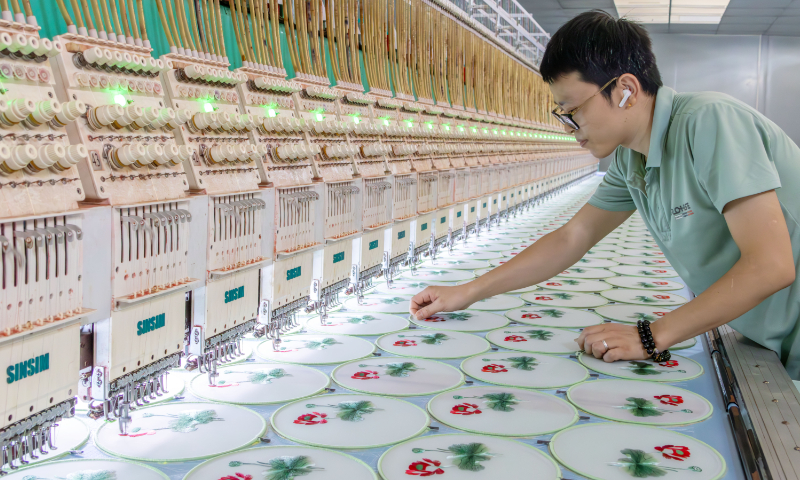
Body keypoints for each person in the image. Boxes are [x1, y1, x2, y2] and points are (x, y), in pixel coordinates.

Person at [409, 11, 800, 377]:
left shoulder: (709, 121)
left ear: (625, 90)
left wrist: (652, 335)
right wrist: (469, 291)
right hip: (771, 339)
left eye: (572, 110)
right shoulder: (632, 161)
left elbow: (771, 264)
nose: (569, 127)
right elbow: (572, 237)